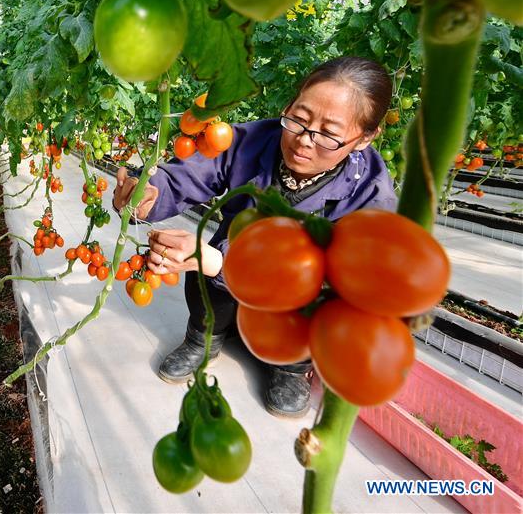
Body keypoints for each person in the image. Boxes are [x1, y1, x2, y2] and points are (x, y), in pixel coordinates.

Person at [112, 56, 398, 417]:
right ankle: (204, 337)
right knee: (209, 268)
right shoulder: (251, 142)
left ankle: (292, 367)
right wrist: (148, 195)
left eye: (328, 134)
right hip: (226, 282)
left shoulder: (371, 194)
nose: (304, 141)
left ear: (364, 138)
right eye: (298, 118)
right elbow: (190, 174)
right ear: (289, 105)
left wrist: (222, 262)